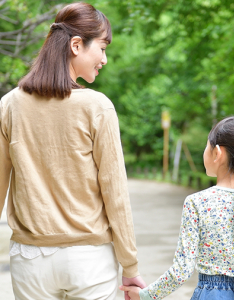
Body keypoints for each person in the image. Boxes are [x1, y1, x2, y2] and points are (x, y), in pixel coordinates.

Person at [0, 2, 146, 300]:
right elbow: (114, 193)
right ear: (76, 45)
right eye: (102, 48)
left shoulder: (10, 105)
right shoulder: (97, 106)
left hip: (30, 260)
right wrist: (130, 266)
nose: (104, 59)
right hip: (89, 260)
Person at [120, 116, 234, 300]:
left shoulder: (198, 202)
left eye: (206, 146)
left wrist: (145, 295)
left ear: (217, 153)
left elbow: (182, 271)